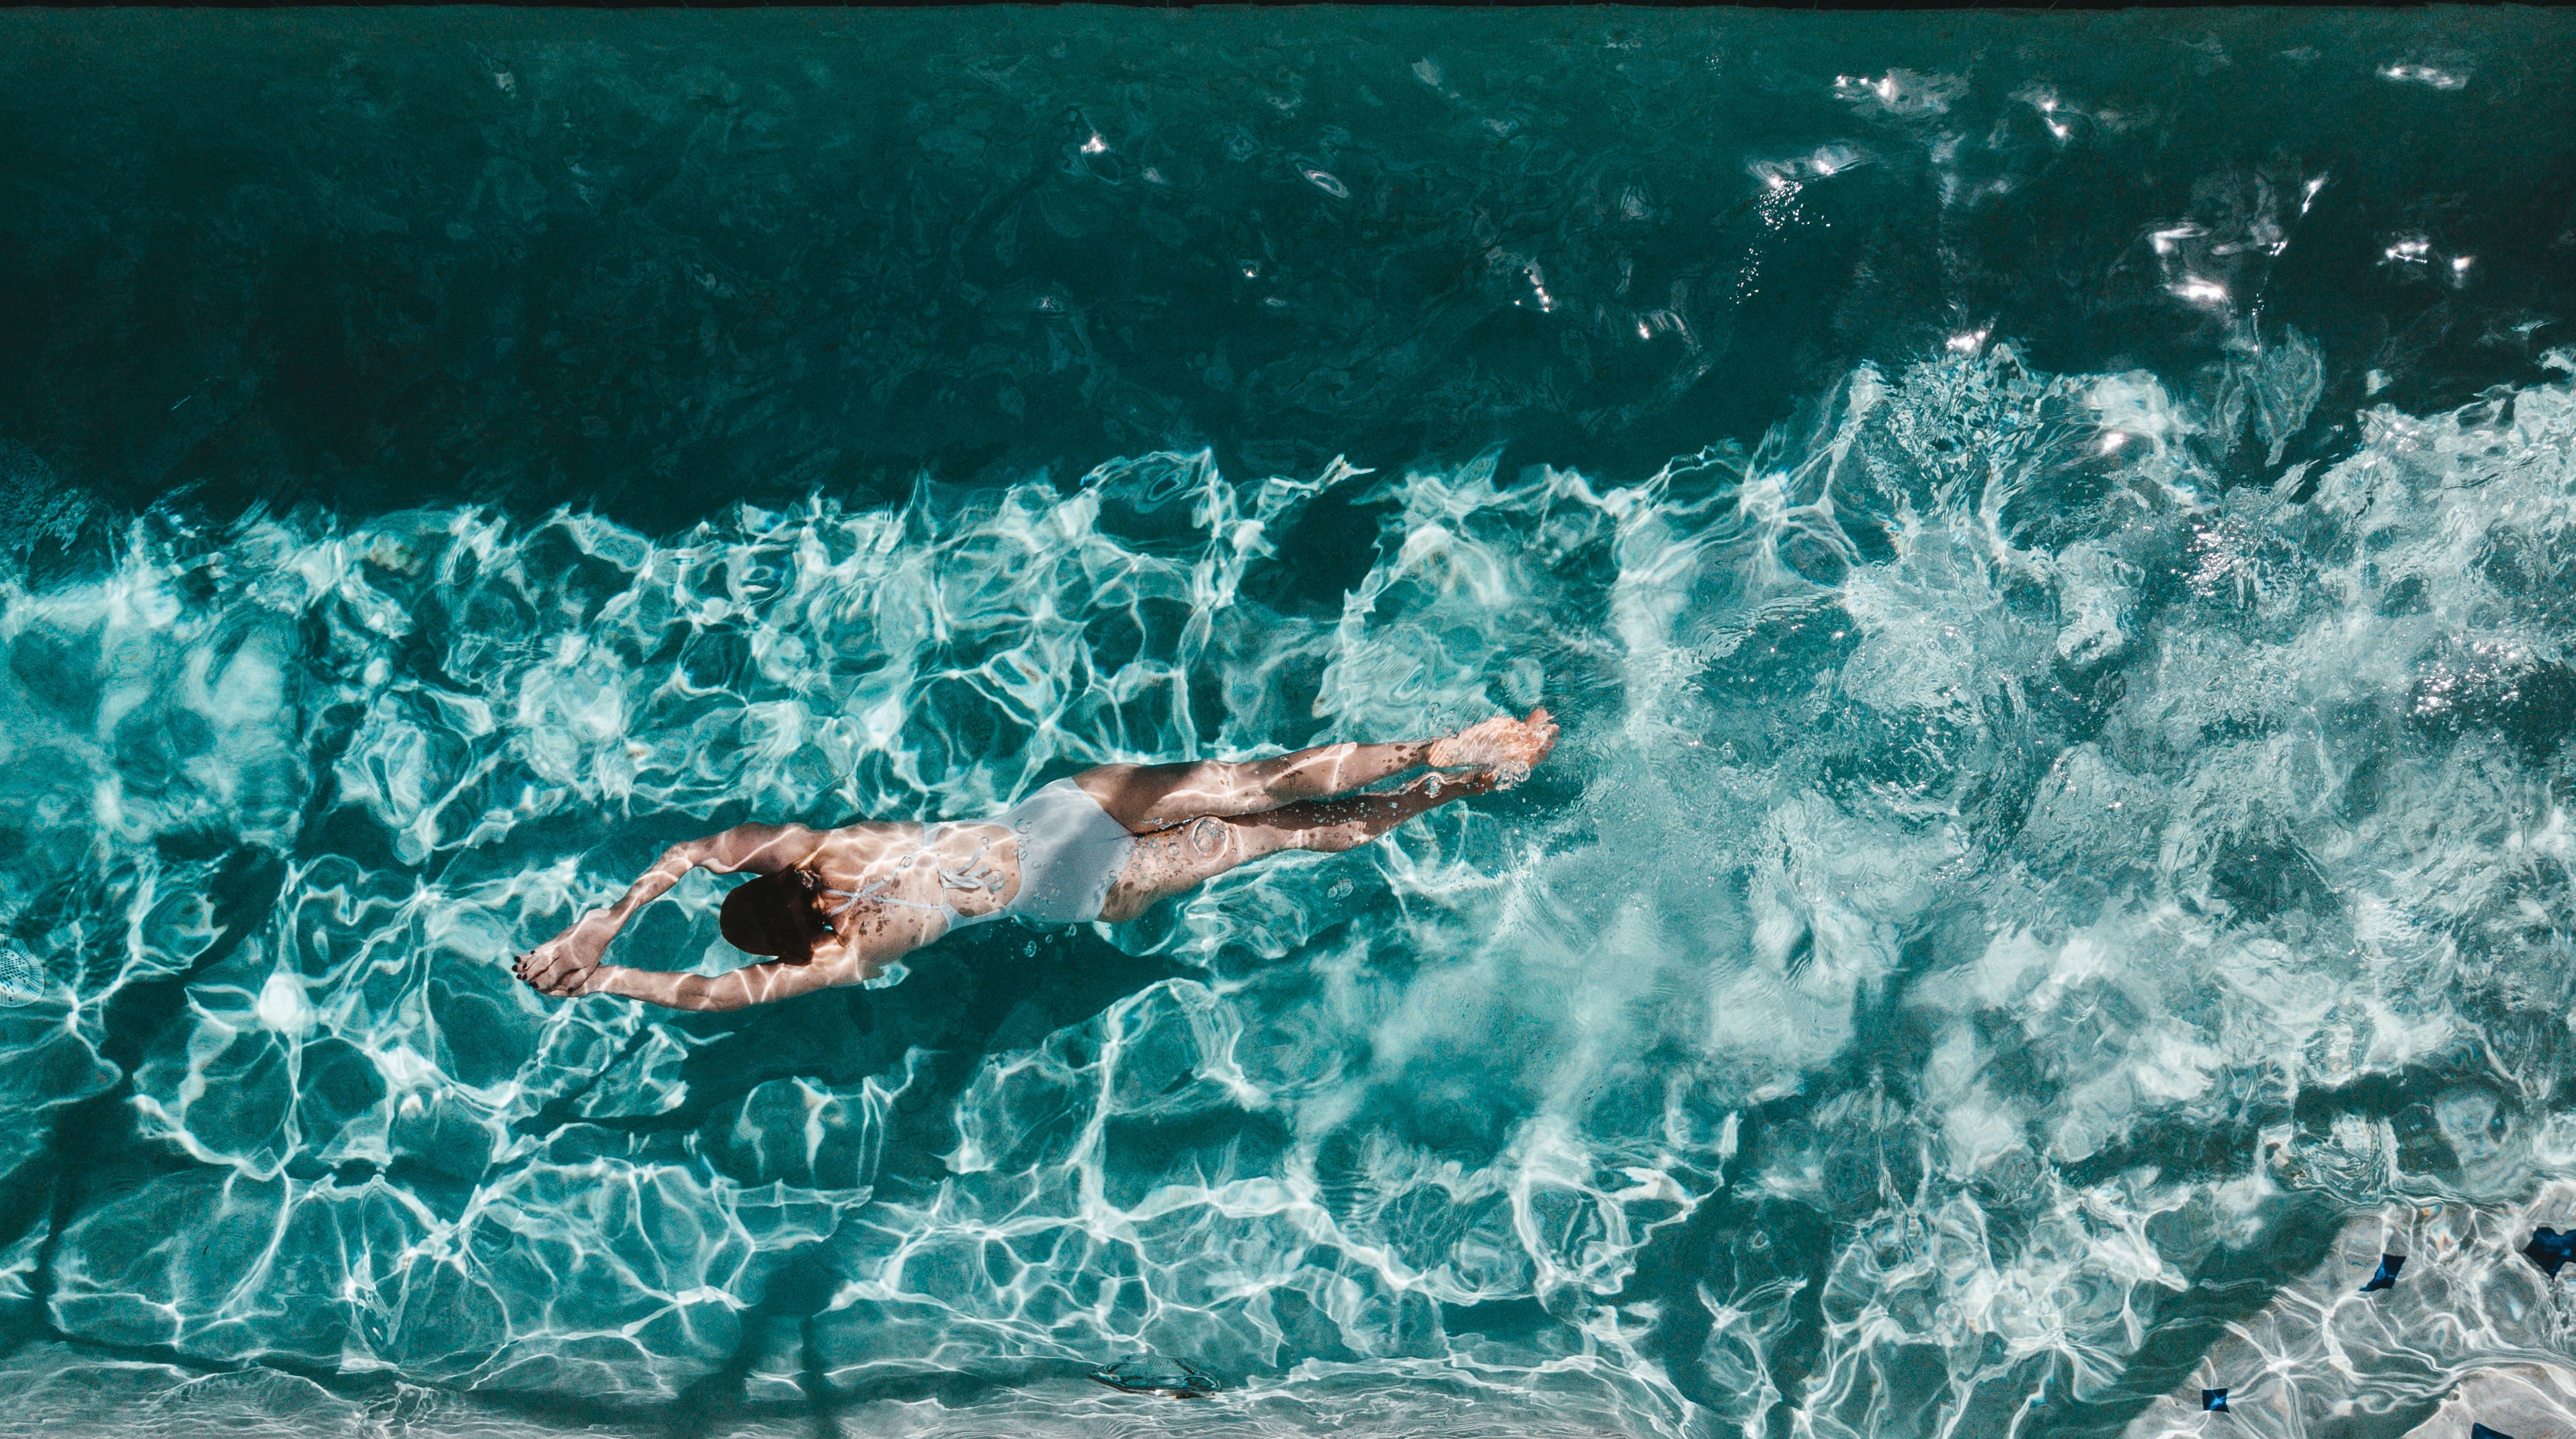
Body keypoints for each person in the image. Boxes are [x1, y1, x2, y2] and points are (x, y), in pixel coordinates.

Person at [512, 709, 1558, 1011]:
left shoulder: (835, 959)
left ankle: (1453, 786)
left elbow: (706, 995)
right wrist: (605, 916)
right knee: (1265, 778)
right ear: (769, 883)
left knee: (1272, 835)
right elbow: (691, 852)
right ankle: (1451, 745)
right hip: (1054, 814)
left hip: (1077, 888)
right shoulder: (814, 847)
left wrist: (604, 974)